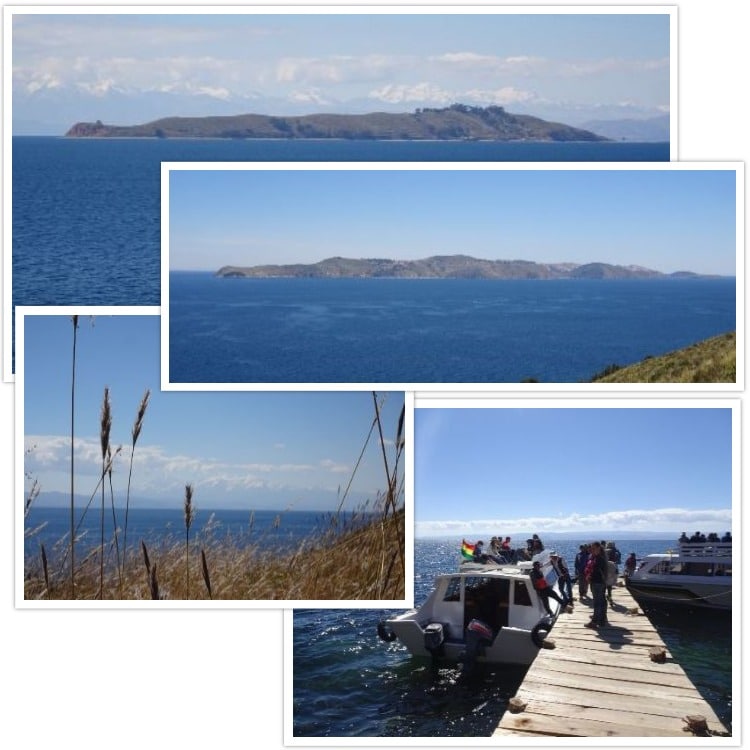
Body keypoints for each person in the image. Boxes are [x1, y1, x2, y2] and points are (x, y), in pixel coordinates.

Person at [584, 541, 608, 629]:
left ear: (598, 548)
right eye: (591, 548)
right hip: (600, 582)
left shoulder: (598, 558)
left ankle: (594, 622)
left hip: (597, 582)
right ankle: (602, 619)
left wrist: (589, 577)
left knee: (597, 602)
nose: (592, 550)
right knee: (601, 601)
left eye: (594, 548)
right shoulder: (601, 557)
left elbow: (597, 571)